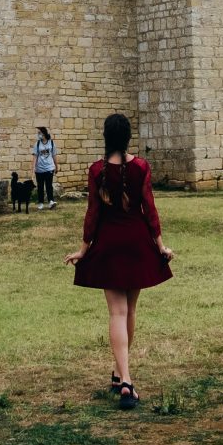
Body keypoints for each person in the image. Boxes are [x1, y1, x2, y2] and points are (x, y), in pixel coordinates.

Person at [64, 112, 173, 409]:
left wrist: (84, 249)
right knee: (130, 311)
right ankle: (121, 376)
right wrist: (160, 246)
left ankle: (123, 378)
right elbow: (149, 209)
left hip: (110, 246)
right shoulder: (140, 166)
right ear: (126, 137)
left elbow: (92, 214)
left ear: (105, 136)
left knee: (117, 314)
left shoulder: (97, 170)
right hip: (137, 243)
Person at [33, 126, 57, 209]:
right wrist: (33, 168)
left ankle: (51, 201)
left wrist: (56, 166)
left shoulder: (52, 143)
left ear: (43, 133)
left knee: (49, 185)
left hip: (49, 168)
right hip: (39, 169)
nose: (38, 134)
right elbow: (35, 157)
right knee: (40, 186)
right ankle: (41, 203)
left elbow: (54, 155)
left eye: (39, 133)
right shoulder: (37, 144)